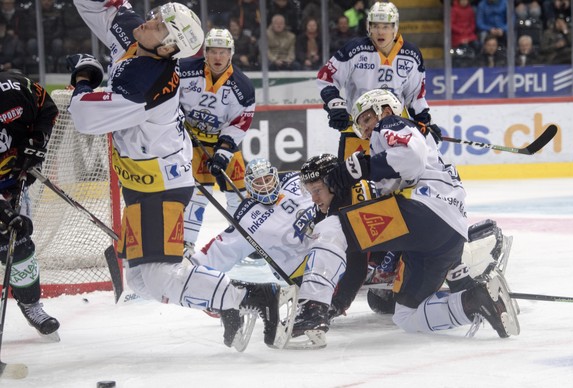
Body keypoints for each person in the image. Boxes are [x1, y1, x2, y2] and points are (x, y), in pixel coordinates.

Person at [67, 0, 292, 351]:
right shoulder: (142, 39)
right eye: (155, 15)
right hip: (143, 180)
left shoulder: (147, 82)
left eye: (158, 23)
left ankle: (254, 295)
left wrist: (83, 79)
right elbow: (105, 9)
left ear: (169, 46)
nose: (149, 21)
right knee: (140, 280)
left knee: (158, 277)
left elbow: (84, 117)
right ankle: (226, 301)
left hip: (161, 185)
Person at [324, 88, 520, 338]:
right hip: (446, 232)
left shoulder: (391, 122)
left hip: (423, 211)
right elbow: (399, 173)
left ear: (384, 109)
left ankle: (314, 306)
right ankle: (475, 301)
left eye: (365, 120)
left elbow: (409, 160)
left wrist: (360, 168)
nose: (363, 131)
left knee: (339, 229)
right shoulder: (403, 136)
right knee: (405, 316)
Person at [192, 157, 377, 348]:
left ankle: (378, 271)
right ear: (249, 186)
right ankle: (325, 306)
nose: (265, 186)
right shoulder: (246, 218)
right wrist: (192, 274)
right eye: (258, 182)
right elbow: (218, 251)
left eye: (268, 179)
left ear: (275, 175)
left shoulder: (294, 182)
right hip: (304, 273)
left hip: (334, 250)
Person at [316, 1, 440, 161]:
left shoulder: (412, 55)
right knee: (354, 184)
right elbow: (326, 78)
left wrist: (425, 123)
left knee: (396, 184)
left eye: (386, 26)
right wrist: (335, 106)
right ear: (369, 27)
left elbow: (415, 97)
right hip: (359, 129)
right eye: (375, 26)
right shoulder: (355, 50)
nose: (380, 32)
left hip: (395, 131)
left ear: (395, 28)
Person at [179, 28, 255, 255]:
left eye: (223, 52)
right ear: (205, 52)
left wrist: (223, 153)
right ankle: (186, 243)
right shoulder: (184, 71)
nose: (218, 57)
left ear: (230, 53)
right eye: (213, 51)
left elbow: (239, 123)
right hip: (191, 142)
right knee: (198, 194)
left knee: (240, 193)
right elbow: (167, 97)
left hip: (222, 143)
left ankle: (245, 239)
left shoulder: (243, 88)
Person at [0, 69, 60, 339]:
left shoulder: (14, 88)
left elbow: (46, 108)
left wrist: (36, 141)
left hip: (11, 179)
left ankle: (31, 305)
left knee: (19, 244)